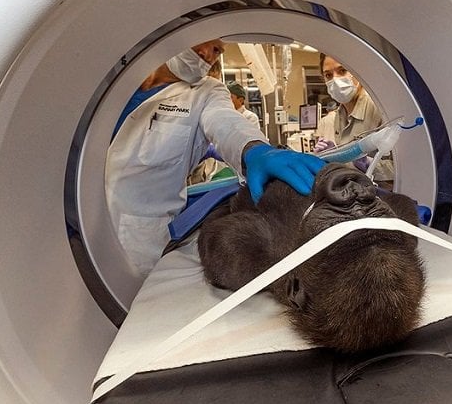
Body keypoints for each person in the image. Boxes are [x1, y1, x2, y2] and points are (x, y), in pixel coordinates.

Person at [105, 39, 325, 275]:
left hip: (138, 238)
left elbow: (225, 122)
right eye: (201, 41)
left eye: (217, 49)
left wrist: (255, 150)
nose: (207, 53)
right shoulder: (107, 78)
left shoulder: (207, 92)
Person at [314, 53, 395, 189]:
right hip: (354, 194)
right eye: (328, 75)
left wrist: (369, 164)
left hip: (382, 196)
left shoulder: (379, 108)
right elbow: (349, 166)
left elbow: (405, 168)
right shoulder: (339, 115)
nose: (335, 80)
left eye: (342, 71)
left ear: (357, 71)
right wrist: (334, 157)